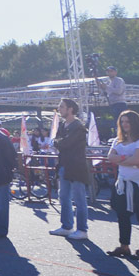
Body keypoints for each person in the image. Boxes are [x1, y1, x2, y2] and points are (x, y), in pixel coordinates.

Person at [106, 110, 139, 262]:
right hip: (123, 182)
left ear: (134, 123)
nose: (125, 125)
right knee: (122, 215)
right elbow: (110, 157)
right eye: (122, 122)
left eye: (128, 122)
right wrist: (127, 158)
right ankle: (124, 246)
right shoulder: (117, 140)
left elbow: (137, 160)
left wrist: (121, 159)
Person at [50, 99, 96, 240]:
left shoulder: (78, 126)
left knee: (79, 198)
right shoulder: (63, 125)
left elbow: (65, 143)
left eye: (62, 107)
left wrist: (57, 142)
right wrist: (58, 142)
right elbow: (58, 141)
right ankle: (67, 226)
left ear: (70, 109)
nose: (59, 109)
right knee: (63, 197)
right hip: (64, 165)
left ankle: (82, 229)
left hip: (76, 166)